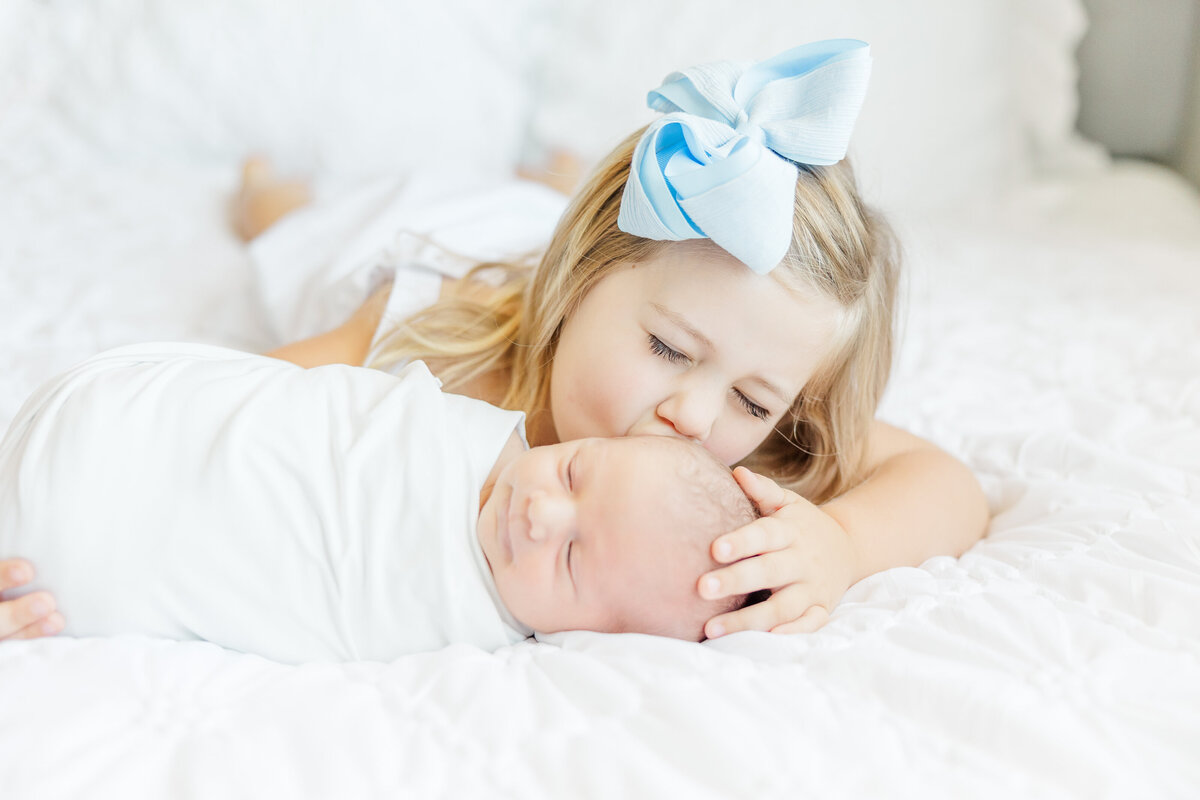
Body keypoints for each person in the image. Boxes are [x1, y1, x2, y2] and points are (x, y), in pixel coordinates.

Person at [0, 39, 989, 643]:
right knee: (289, 236)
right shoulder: (437, 338)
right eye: (671, 351)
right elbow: (225, 398)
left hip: (543, 229)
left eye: (751, 399)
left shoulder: (744, 432)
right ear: (579, 279)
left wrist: (843, 542)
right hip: (421, 234)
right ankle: (279, 196)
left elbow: (944, 481)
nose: (695, 413)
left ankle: (551, 176)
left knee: (556, 204)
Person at [0, 343, 759, 663]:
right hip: (117, 419)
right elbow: (309, 414)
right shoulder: (460, 432)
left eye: (570, 557)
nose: (538, 513)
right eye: (571, 475)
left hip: (63, 573)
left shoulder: (470, 638)